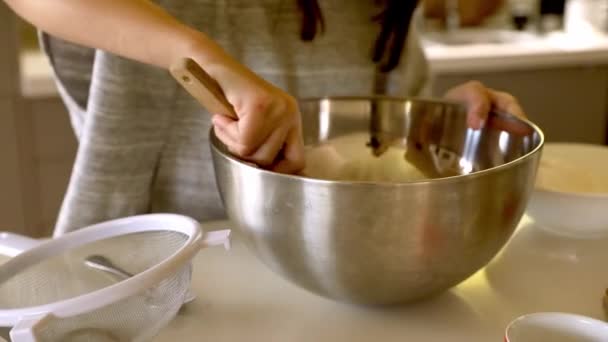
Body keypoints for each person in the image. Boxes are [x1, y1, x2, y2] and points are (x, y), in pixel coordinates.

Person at [4, 0, 526, 235]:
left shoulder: (379, 12)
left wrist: (439, 127)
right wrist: (197, 54)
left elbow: (375, 164)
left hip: (313, 291)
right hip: (140, 288)